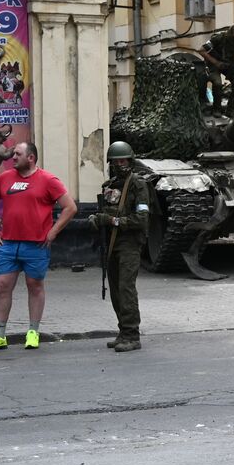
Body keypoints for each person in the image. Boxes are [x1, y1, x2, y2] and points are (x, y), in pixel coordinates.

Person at [0, 141, 77, 351]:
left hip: (36, 245)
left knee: (34, 285)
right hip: (8, 244)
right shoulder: (5, 178)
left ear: (31, 158)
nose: (13, 157)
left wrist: (53, 231)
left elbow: (70, 207)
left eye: (17, 154)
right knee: (2, 286)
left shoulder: (48, 180)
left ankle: (33, 332)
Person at [90, 141, 149, 352]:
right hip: (112, 243)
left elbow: (141, 219)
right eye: (115, 161)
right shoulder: (110, 185)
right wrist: (97, 219)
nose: (119, 164)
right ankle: (123, 331)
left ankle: (132, 335)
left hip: (129, 243)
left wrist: (112, 221)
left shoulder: (138, 185)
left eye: (123, 160)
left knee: (126, 288)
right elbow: (108, 212)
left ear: (130, 161)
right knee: (115, 290)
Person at [200, 23, 234, 112]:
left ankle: (231, 109)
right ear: (230, 33)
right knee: (217, 83)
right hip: (214, 65)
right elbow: (202, 50)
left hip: (229, 65)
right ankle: (217, 109)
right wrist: (216, 62)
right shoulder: (219, 38)